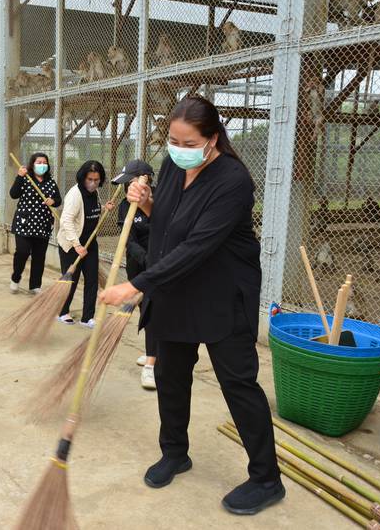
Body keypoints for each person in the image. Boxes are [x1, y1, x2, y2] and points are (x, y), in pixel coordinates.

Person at [99, 96, 282, 515]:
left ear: (212, 138)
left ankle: (266, 479)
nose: (178, 149)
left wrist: (136, 285)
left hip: (221, 296)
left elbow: (198, 245)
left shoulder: (233, 181)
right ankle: (175, 452)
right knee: (170, 376)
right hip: (175, 291)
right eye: (173, 141)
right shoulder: (172, 166)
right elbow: (166, 223)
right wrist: (146, 201)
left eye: (188, 142)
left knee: (239, 385)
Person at [115, 160, 157, 390]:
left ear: (145, 180)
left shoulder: (161, 199)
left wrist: (155, 262)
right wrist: (145, 259)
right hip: (138, 264)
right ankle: (153, 351)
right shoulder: (125, 205)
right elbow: (128, 238)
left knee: (154, 310)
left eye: (129, 183)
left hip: (160, 265)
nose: (126, 188)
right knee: (144, 309)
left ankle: (152, 364)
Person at [56, 160, 113, 328]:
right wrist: (76, 245)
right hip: (71, 244)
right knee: (71, 280)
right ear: (83, 178)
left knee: (92, 280)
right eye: (90, 179)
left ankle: (87, 317)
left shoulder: (94, 193)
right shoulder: (75, 194)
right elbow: (66, 220)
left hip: (90, 243)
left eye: (96, 180)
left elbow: (89, 211)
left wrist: (104, 208)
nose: (93, 183)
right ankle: (62, 312)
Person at [9, 152, 61, 294]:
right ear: (32, 165)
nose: (42, 165)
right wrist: (19, 176)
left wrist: (52, 201)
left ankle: (35, 285)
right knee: (22, 252)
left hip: (43, 224)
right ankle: (15, 277)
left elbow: (58, 200)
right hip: (24, 223)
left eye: (44, 163)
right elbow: (13, 194)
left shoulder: (51, 182)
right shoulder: (26, 178)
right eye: (39, 163)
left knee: (39, 256)